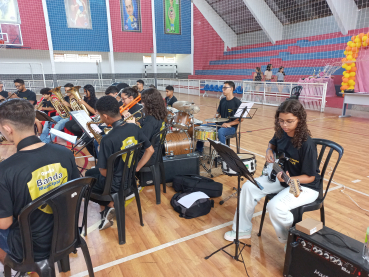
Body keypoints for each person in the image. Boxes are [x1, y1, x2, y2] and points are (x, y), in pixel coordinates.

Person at [224, 99, 321, 249]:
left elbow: (310, 177)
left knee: (275, 207)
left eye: (289, 121)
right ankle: (242, 229)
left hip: (305, 186)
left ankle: (289, 240)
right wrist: (269, 151)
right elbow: (272, 144)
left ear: (300, 120)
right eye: (281, 121)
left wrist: (290, 179)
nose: (284, 125)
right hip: (282, 179)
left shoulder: (307, 144)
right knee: (249, 187)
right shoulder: (281, 133)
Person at [0, 99, 79, 274]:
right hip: (66, 234)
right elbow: (75, 192)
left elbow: (4, 224)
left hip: (32, 248)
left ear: (7, 128)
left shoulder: (5, 170)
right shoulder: (65, 153)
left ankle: (21, 268)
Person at [85, 96, 154, 230]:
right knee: (90, 172)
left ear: (105, 116)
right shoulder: (134, 128)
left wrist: (101, 152)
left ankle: (111, 204)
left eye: (100, 115)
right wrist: (136, 169)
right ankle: (113, 203)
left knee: (87, 181)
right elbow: (150, 150)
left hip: (114, 183)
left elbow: (103, 172)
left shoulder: (107, 140)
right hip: (130, 178)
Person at [195, 81, 242, 154]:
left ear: (231, 89)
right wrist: (213, 119)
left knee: (221, 132)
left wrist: (229, 124)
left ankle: (222, 154)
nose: (223, 89)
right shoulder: (222, 100)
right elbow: (218, 113)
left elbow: (240, 119)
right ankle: (199, 150)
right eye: (223, 88)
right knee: (202, 127)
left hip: (231, 128)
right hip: (219, 125)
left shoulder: (237, 102)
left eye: (225, 88)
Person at [140, 88, 167, 164]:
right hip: (157, 154)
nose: (141, 103)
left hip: (147, 158)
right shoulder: (160, 116)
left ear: (148, 103)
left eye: (143, 101)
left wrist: (131, 126)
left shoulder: (149, 122)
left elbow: (141, 142)